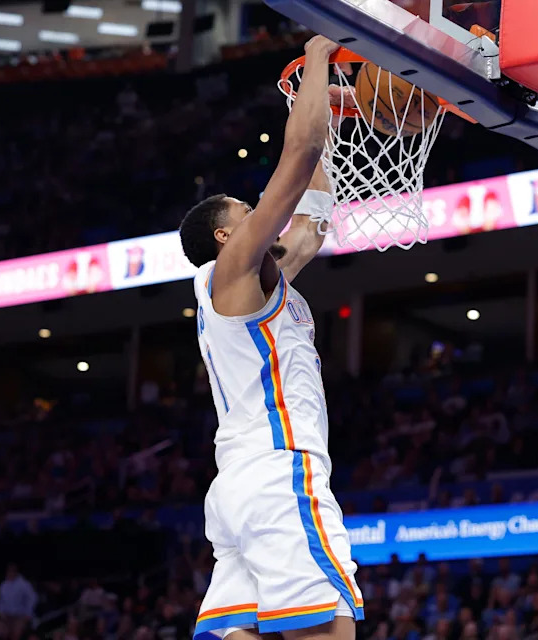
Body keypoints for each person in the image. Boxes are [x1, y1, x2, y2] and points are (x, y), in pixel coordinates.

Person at [179, 36, 363, 640]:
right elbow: (299, 154)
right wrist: (317, 56)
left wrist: (321, 114)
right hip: (279, 472)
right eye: (243, 211)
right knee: (333, 629)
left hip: (237, 489)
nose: (254, 212)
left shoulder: (252, 287)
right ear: (225, 238)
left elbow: (310, 226)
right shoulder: (230, 275)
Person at [0, 563, 38, 640]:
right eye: (9, 571)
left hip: (21, 615)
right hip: (7, 615)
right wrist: (1, 613)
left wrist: (28, 613)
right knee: (0, 629)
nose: (10, 573)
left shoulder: (24, 584)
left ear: (16, 572)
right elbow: (1, 602)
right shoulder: (3, 586)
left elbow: (33, 598)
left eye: (12, 571)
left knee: (16, 632)